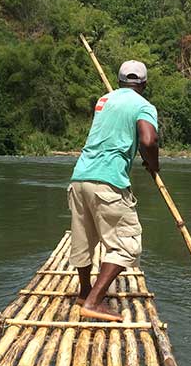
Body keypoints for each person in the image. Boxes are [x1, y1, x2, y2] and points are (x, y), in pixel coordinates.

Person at [67, 60, 159, 322]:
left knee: (83, 239)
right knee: (127, 245)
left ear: (119, 81)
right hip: (108, 182)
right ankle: (94, 302)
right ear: (144, 84)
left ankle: (85, 292)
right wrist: (154, 165)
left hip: (80, 177)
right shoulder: (143, 105)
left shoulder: (104, 100)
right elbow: (148, 140)